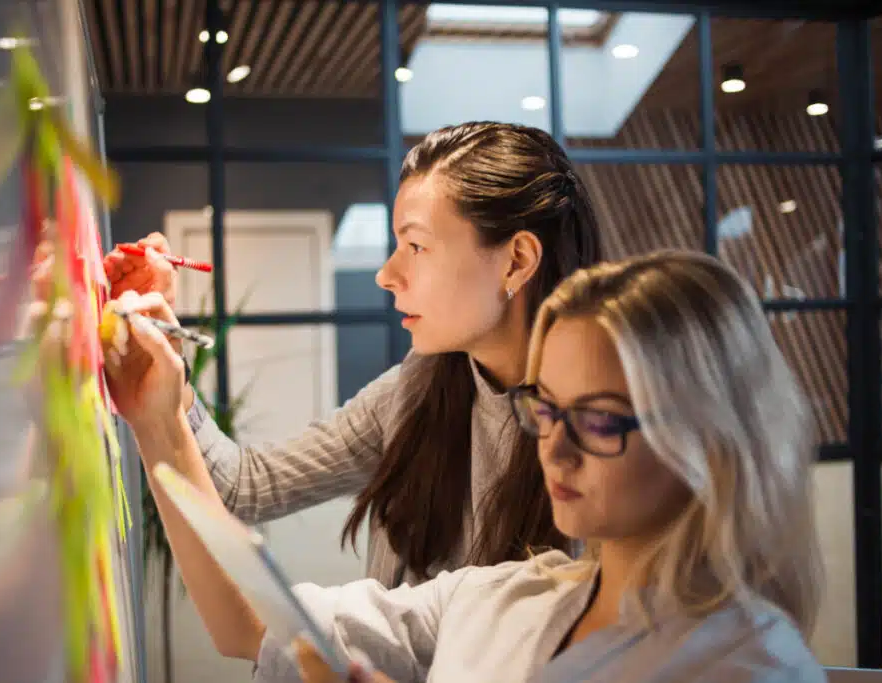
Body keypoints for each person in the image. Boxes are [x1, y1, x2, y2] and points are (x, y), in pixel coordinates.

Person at [114, 249, 826, 683]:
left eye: (600, 419)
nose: (557, 446)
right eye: (545, 409)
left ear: (711, 434)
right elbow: (252, 622)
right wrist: (157, 419)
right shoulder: (504, 597)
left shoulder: (753, 664)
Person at [104, 121, 603, 587]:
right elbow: (244, 486)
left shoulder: (601, 439)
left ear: (516, 261)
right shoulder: (420, 386)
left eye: (417, 246)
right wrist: (164, 374)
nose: (386, 274)